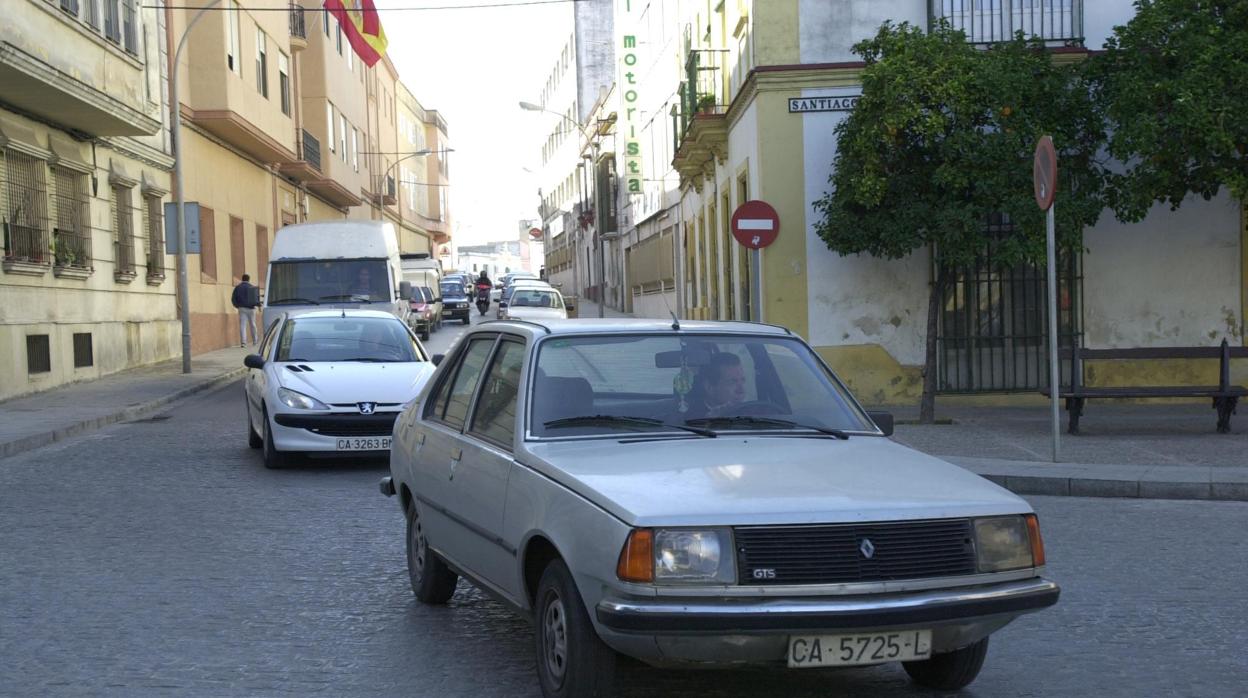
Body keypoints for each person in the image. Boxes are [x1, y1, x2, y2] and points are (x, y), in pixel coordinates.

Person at [689, 352, 747, 418]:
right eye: (732, 382)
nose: (741, 390)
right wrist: (709, 421)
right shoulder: (689, 419)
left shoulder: (751, 414)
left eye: (743, 380)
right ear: (709, 387)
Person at [231, 274, 259, 347]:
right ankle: (255, 341)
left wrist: (237, 306)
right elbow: (256, 299)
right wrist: (257, 305)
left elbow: (233, 298)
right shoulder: (252, 287)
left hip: (242, 308)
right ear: (248, 279)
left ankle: (243, 342)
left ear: (242, 279)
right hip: (251, 308)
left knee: (242, 325)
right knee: (253, 324)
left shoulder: (238, 287)